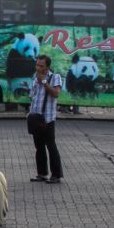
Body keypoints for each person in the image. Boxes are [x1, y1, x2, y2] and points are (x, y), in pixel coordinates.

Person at [27, 54, 64, 184]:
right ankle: (42, 174)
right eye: (37, 65)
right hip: (36, 117)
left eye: (41, 66)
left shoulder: (55, 77)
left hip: (48, 119)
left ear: (48, 66)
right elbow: (32, 96)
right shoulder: (34, 77)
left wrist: (43, 81)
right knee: (39, 147)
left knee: (51, 146)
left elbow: (56, 93)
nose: (38, 68)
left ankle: (56, 175)